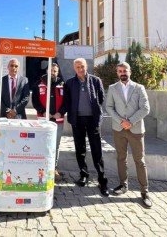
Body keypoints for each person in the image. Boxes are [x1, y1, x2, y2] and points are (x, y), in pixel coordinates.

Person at [106, 62, 152, 207]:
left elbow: (145, 108)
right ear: (117, 73)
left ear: (130, 72)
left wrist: (130, 121)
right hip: (119, 129)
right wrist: (121, 121)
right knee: (121, 158)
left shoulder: (139, 88)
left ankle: (144, 192)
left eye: (125, 70)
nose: (122, 73)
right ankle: (123, 185)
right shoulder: (113, 88)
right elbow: (109, 107)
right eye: (120, 71)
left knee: (140, 160)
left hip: (136, 130)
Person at [64, 58, 109, 196]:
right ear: (74, 68)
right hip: (77, 121)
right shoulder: (70, 83)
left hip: (92, 120)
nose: (80, 69)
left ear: (86, 66)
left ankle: (102, 179)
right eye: (77, 67)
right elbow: (67, 100)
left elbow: (101, 98)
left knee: (97, 150)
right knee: (80, 149)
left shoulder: (96, 80)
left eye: (82, 66)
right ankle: (84, 175)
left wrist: (95, 112)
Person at [32, 63, 66, 181]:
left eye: (55, 71)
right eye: (51, 70)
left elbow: (67, 101)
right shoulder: (39, 83)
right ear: (46, 70)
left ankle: (53, 168)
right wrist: (43, 111)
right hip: (43, 119)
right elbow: (35, 100)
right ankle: (41, 168)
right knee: (41, 144)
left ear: (57, 72)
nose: (53, 72)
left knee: (55, 145)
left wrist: (60, 113)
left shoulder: (63, 85)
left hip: (58, 119)